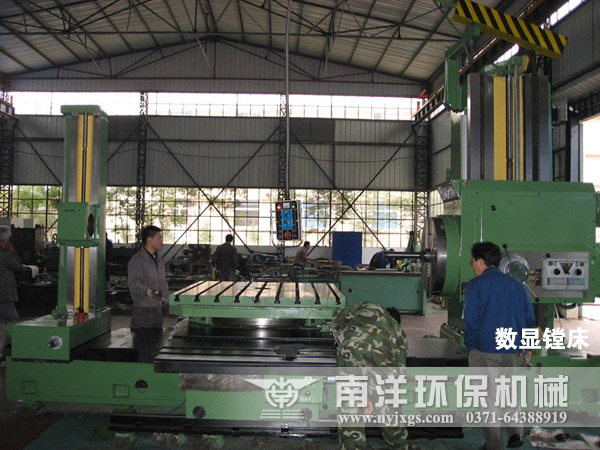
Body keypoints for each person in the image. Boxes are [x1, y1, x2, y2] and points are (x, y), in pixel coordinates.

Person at [463, 241, 536, 450]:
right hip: (511, 349)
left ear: (480, 261)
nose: (472, 265)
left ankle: (494, 445)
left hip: (484, 350)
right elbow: (529, 319)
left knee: (487, 399)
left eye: (472, 261)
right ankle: (516, 433)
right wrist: (527, 346)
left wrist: (470, 344)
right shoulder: (516, 285)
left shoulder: (476, 285)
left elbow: (471, 320)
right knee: (509, 391)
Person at [332, 302, 412, 450]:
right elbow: (399, 370)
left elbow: (339, 317)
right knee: (389, 412)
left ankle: (353, 446)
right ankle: (398, 445)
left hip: (349, 353)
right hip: (377, 363)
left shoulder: (367, 306)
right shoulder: (399, 332)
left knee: (350, 408)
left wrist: (337, 332)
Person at [127, 225, 169, 330]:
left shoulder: (159, 260)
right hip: (143, 310)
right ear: (149, 240)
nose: (162, 241)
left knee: (157, 337)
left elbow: (163, 282)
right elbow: (134, 283)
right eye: (159, 238)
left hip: (158, 308)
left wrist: (168, 301)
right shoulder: (137, 260)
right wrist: (148, 291)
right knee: (143, 338)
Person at [0, 226, 23, 361]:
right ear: (7, 239)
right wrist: (13, 252)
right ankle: (7, 352)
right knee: (12, 323)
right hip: (4, 295)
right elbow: (18, 266)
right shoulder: (5, 255)